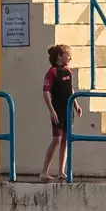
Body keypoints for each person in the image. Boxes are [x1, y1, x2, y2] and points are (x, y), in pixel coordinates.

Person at [40, 44, 74, 183]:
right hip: (57, 110)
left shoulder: (68, 71)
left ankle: (61, 171)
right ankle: (44, 171)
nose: (70, 58)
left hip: (68, 109)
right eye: (68, 55)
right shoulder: (52, 72)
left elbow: (70, 89)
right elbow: (46, 92)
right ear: (60, 56)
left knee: (65, 139)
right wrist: (51, 110)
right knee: (57, 139)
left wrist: (76, 105)